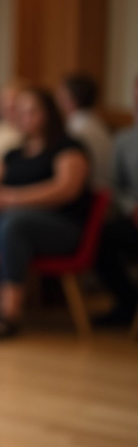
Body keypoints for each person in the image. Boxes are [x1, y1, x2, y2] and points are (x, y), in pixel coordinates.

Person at [0, 88, 92, 341]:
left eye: (31, 111)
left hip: (62, 227)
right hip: (13, 221)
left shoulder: (68, 147)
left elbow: (66, 189)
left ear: (48, 114)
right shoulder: (14, 153)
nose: (24, 117)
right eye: (21, 112)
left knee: (11, 223)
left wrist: (12, 199)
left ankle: (8, 314)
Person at [93, 76, 138, 327]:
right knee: (99, 239)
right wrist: (133, 208)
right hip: (134, 217)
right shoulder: (124, 140)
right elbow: (114, 186)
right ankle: (127, 303)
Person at [58, 73, 113, 189]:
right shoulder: (98, 124)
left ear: (71, 100)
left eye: (61, 96)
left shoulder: (75, 130)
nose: (57, 101)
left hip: (89, 192)